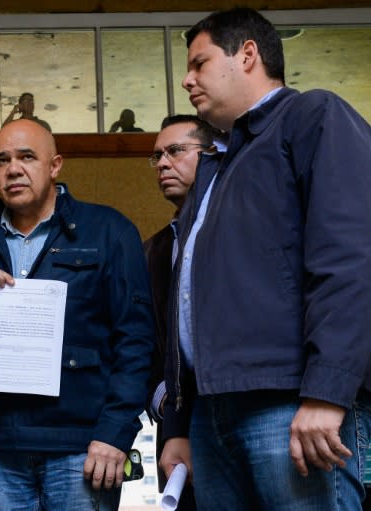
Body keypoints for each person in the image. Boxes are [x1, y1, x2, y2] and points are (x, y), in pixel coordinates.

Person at [159, 8, 371, 510]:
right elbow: (187, 299)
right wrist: (180, 421)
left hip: (291, 402)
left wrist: (328, 392)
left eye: (199, 63)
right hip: (213, 409)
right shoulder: (217, 165)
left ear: (247, 55)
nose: (187, 79)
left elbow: (353, 260)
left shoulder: (313, 116)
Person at [0, 118, 155, 510]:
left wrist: (115, 433)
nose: (13, 169)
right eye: (2, 160)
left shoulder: (109, 231)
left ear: (55, 165)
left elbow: (136, 340)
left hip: (82, 446)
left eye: (27, 157)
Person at [144, 114, 221, 510]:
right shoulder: (153, 250)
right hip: (179, 439)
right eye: (156, 156)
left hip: (240, 415)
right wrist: (173, 416)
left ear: (211, 155)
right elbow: (146, 347)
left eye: (174, 151)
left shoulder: (235, 228)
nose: (161, 163)